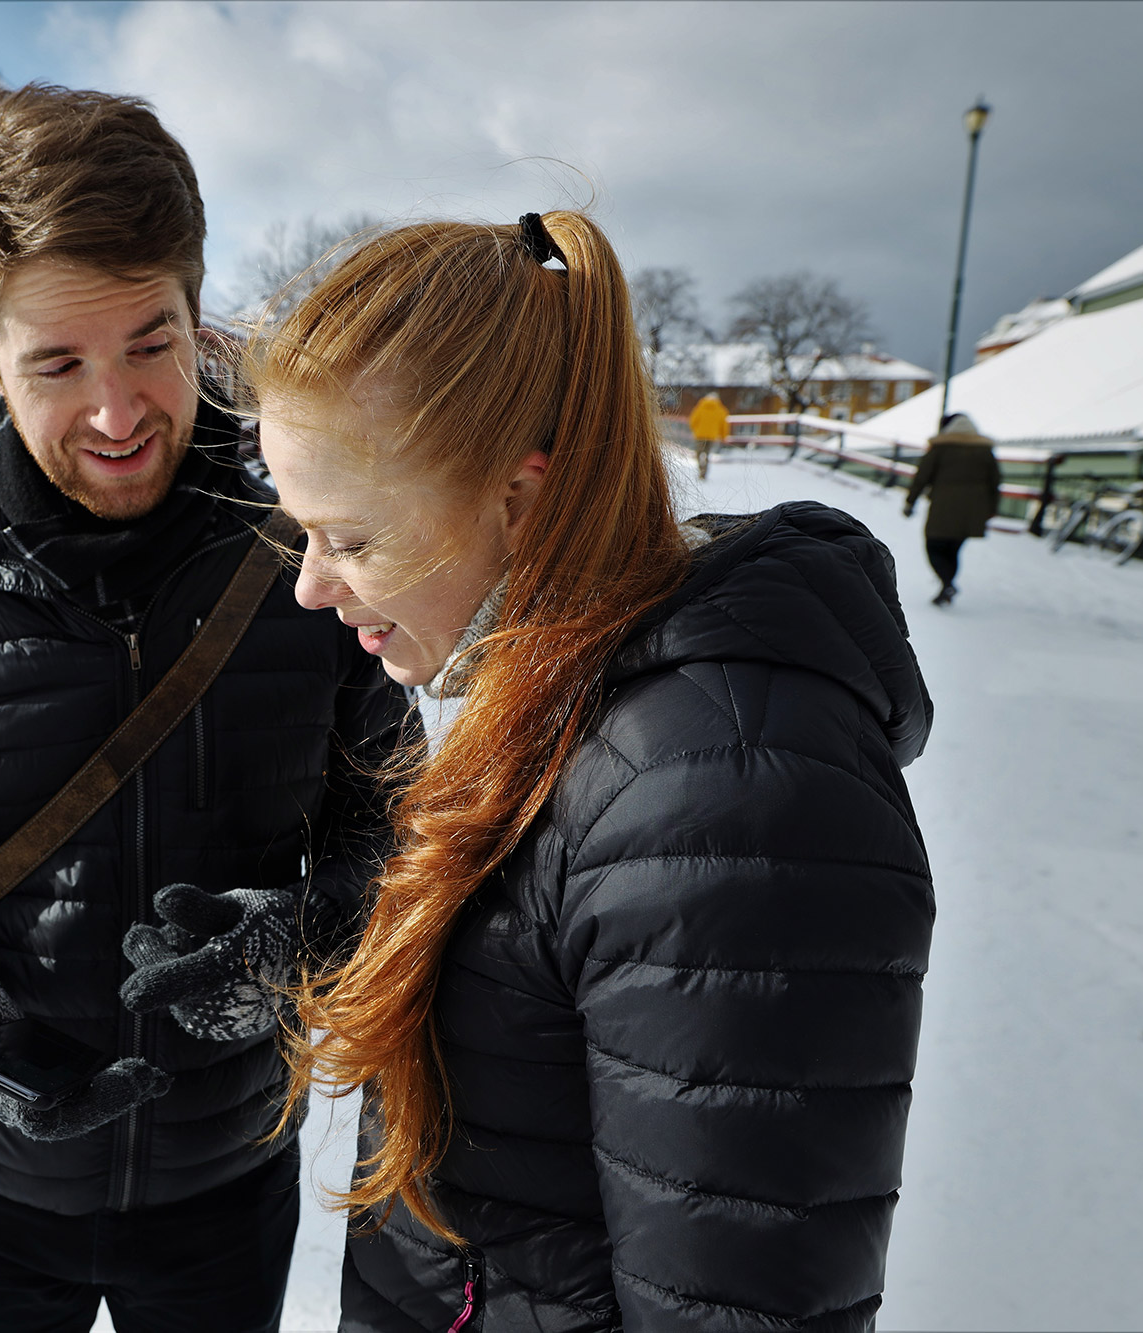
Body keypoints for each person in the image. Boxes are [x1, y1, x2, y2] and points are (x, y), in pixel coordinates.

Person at [0, 83, 409, 1333]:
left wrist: (308, 934)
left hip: (224, 1176)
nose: (119, 413)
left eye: (151, 343)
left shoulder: (306, 566)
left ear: (197, 313)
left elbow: (392, 826)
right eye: (59, 364)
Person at [243, 214, 936, 1331]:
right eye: (300, 532)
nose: (310, 588)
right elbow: (541, 965)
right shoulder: (543, 678)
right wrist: (313, 938)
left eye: (352, 540)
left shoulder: (727, 795)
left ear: (517, 502)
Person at [904, 413, 1002, 605]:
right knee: (953, 549)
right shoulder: (985, 450)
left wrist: (910, 501)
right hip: (973, 510)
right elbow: (995, 481)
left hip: (943, 506)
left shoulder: (940, 448)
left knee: (933, 545)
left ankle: (946, 582)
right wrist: (991, 509)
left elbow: (922, 476)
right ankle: (947, 584)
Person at [687, 389, 729, 480]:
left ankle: (700, 468)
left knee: (698, 453)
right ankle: (704, 471)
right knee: (707, 454)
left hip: (700, 435)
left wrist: (695, 430)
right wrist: (723, 436)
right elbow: (724, 425)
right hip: (712, 436)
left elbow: (693, 420)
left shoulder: (700, 407)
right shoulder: (721, 410)